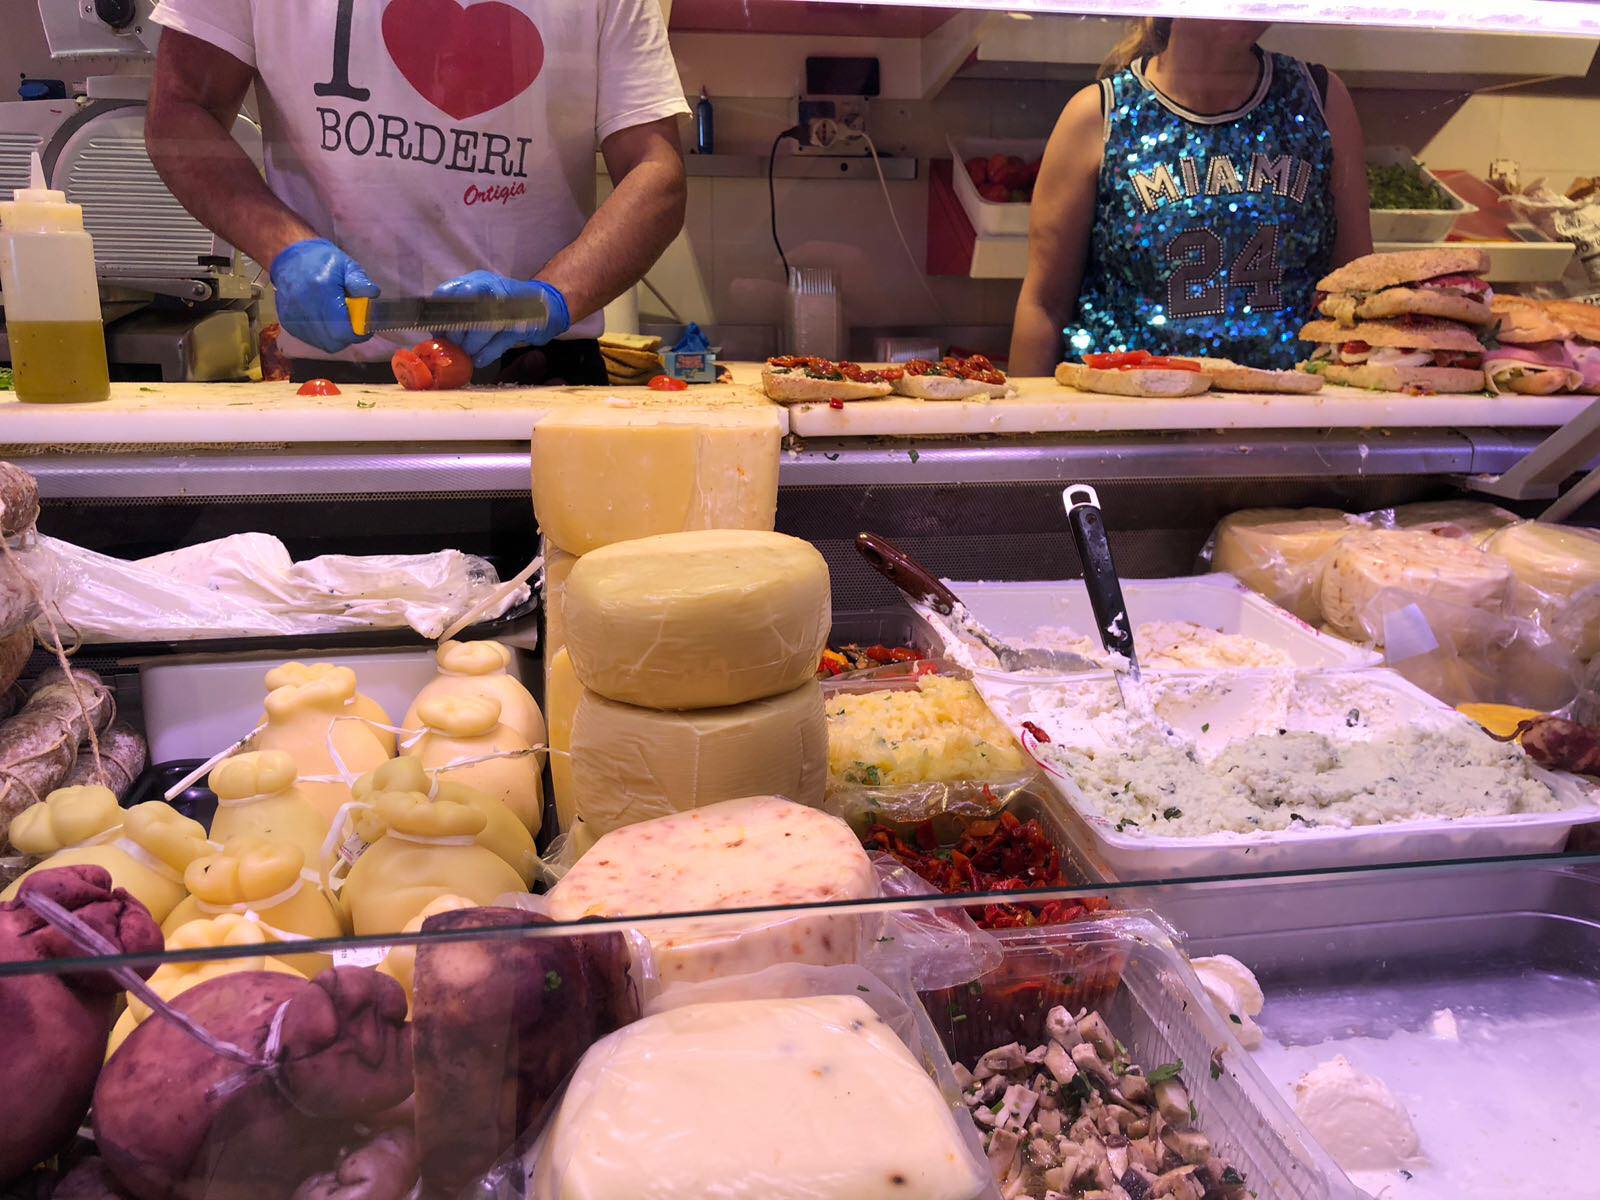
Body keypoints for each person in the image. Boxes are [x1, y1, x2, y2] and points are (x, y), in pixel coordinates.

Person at [145, 0, 689, 383]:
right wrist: (285, 247)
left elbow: (655, 170)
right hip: (338, 385)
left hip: (544, 374)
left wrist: (549, 297)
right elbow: (180, 110)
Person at [1009, 18, 1372, 376]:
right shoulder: (1097, 114)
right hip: (1131, 404)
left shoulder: (1318, 98)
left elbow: (1358, 289)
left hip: (1292, 403)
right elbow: (1044, 306)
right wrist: (1024, 412)